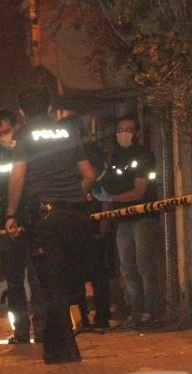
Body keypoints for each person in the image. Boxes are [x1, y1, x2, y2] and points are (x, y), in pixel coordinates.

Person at [5, 87, 96, 364]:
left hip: (46, 218)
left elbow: (18, 177)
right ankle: (55, 349)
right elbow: (88, 175)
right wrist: (72, 195)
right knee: (65, 283)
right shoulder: (68, 133)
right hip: (75, 216)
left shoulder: (24, 137)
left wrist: (11, 214)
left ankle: (66, 348)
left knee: (51, 285)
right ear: (49, 109)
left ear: (22, 113)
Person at [0, 109, 46, 344]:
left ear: (16, 127)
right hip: (5, 223)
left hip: (30, 220)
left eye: (6, 131)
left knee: (37, 278)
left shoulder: (29, 149)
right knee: (14, 280)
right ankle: (21, 331)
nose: (3, 136)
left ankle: (42, 329)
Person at [93, 115, 163, 330]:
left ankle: (151, 312)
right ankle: (136, 312)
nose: (123, 134)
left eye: (129, 130)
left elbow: (139, 192)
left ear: (137, 133)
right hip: (123, 221)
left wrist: (111, 198)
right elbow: (107, 185)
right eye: (120, 130)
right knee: (128, 268)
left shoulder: (143, 156)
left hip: (143, 218)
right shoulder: (115, 158)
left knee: (144, 266)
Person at [60, 114, 112, 331]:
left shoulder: (91, 153)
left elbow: (100, 185)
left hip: (90, 215)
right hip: (73, 216)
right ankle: (83, 317)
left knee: (97, 271)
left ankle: (101, 315)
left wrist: (103, 221)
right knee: (75, 272)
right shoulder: (62, 154)